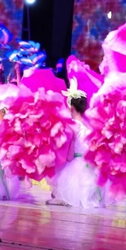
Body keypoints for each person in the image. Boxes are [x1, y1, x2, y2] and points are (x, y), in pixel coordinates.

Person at [48, 80, 106, 208]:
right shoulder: (90, 126)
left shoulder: (72, 126)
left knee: (62, 188)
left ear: (71, 108)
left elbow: (69, 157)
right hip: (89, 167)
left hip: (74, 167)